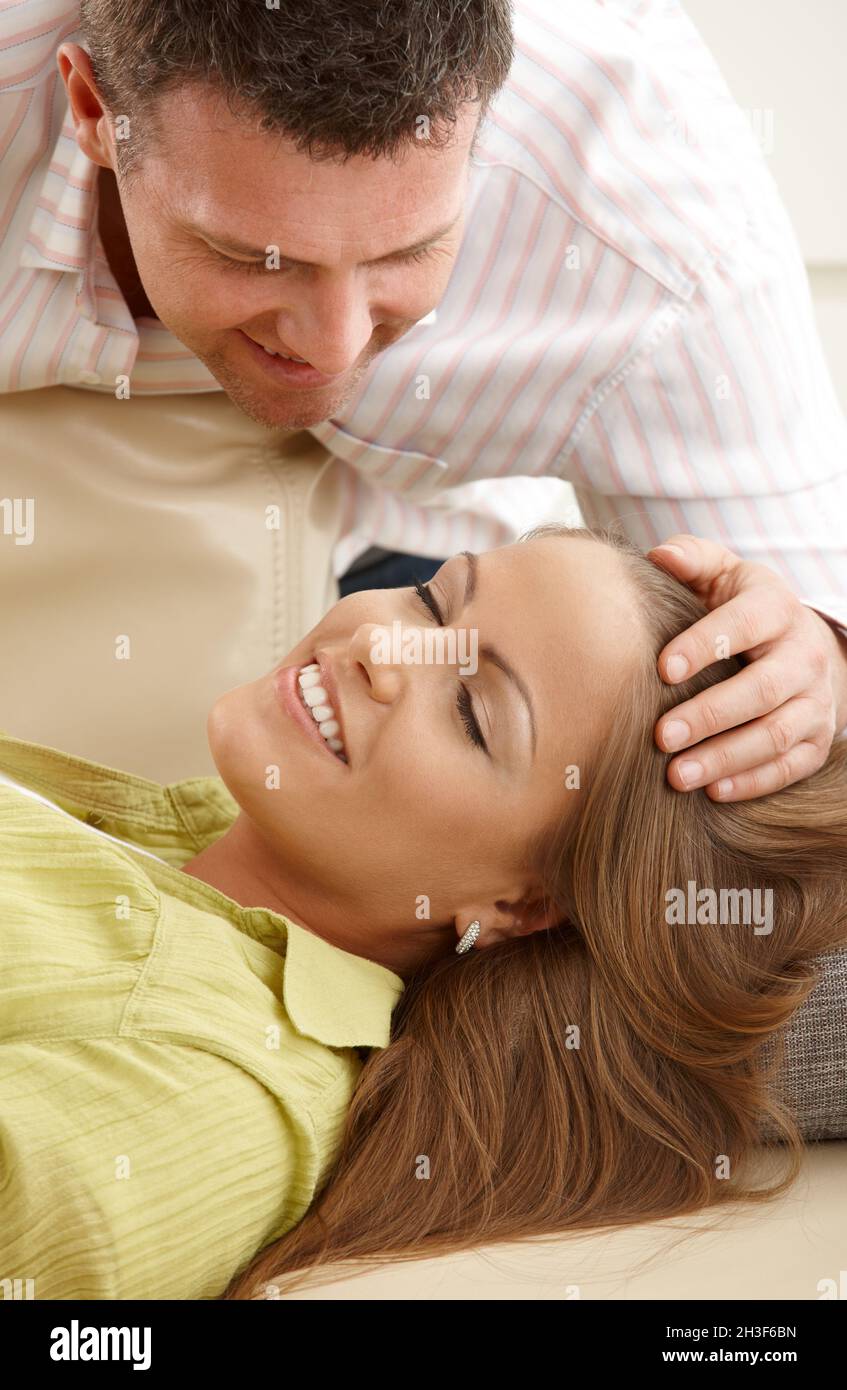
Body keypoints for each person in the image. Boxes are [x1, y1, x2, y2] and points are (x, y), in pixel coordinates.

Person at [2, 0, 847, 794]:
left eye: (406, 251)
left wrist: (813, 667)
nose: (330, 346)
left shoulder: (660, 246)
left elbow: (802, 666)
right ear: (92, 109)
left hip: (412, 559)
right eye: (249, 255)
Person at [1, 525, 844, 1300]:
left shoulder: (210, 1095)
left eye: (472, 714)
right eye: (432, 598)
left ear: (521, 907)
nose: (378, 644)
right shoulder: (195, 832)